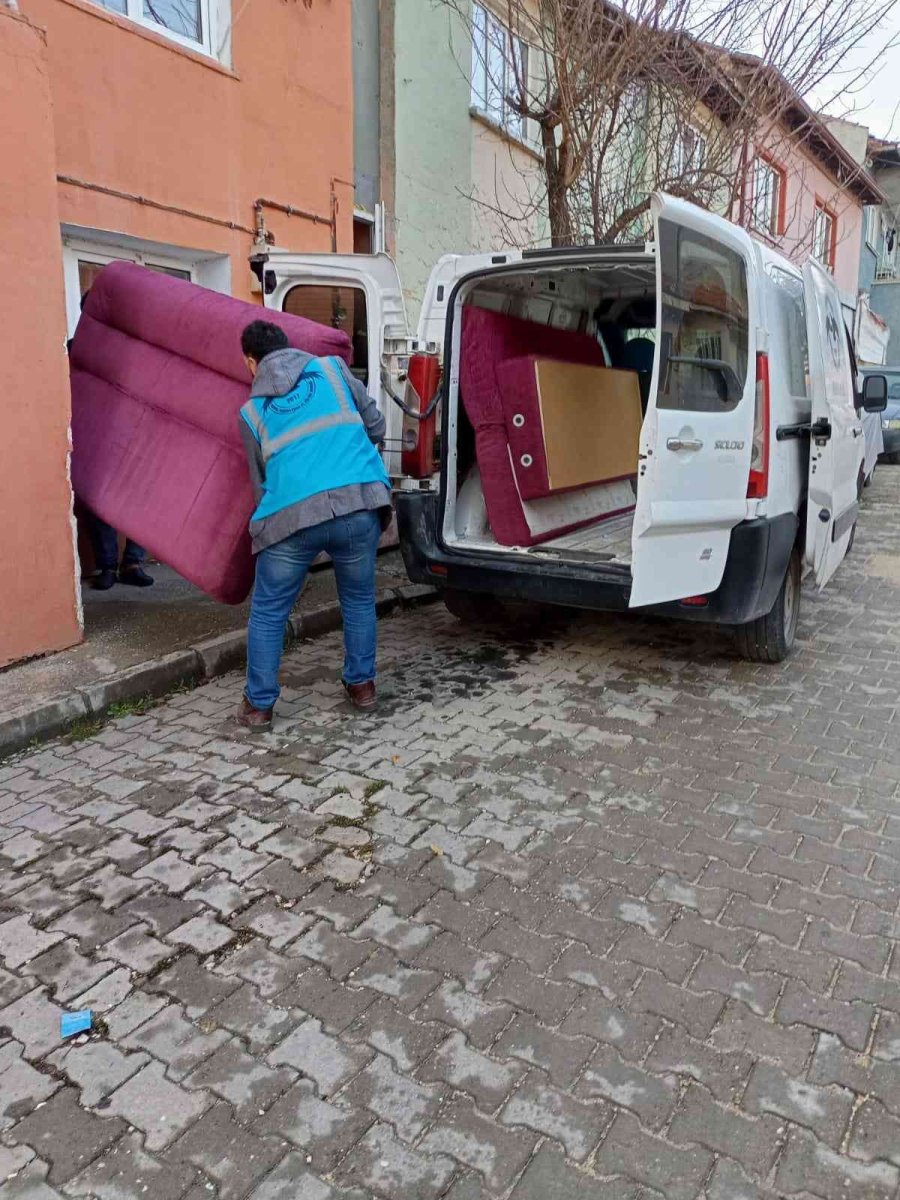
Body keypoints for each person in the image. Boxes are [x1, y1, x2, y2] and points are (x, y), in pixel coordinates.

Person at [236, 320, 392, 730]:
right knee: (358, 600)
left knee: (269, 613)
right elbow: (377, 426)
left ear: (252, 363)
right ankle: (362, 688)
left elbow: (260, 484)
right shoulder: (333, 370)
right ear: (289, 349)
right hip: (358, 503)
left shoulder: (251, 413)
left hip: (291, 518)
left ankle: (259, 707)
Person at [68, 289, 154, 591]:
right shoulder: (74, 348)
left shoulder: (132, 349)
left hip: (132, 432)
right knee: (97, 501)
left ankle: (133, 562)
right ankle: (107, 566)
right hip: (94, 435)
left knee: (140, 497)